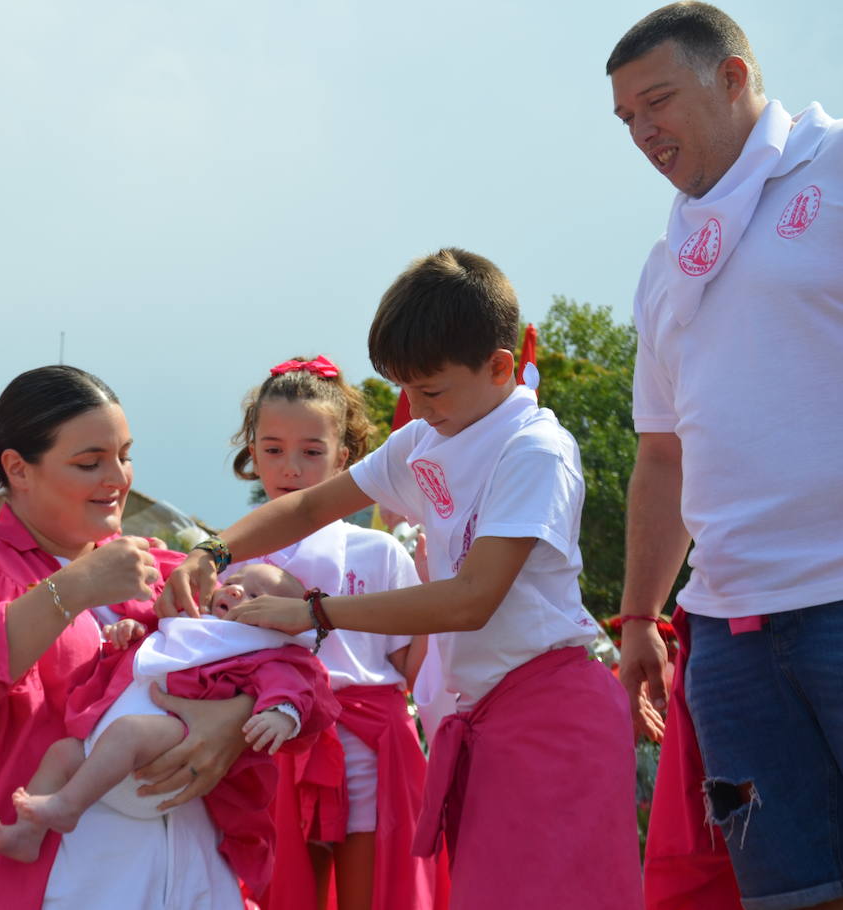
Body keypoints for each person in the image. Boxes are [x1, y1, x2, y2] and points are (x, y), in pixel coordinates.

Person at [157, 249, 642, 909]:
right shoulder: (427, 440)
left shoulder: (534, 449)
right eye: (405, 388)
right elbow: (308, 506)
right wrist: (211, 550)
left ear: (500, 367)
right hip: (482, 715)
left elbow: (473, 600)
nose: (414, 406)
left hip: (551, 710)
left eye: (432, 389)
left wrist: (316, 613)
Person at [608, 5, 843, 910]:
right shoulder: (668, 261)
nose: (642, 131)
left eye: (657, 100)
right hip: (733, 639)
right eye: (626, 118)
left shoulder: (830, 164)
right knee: (788, 893)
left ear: (734, 77)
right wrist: (637, 620)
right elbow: (663, 456)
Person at [0, 365, 255, 910]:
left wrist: (234, 720)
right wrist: (69, 590)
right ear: (18, 469)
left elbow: (275, 661)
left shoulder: (164, 566)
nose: (118, 478)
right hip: (44, 884)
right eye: (90, 463)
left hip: (191, 875)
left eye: (124, 455)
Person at [226, 354, 444, 910]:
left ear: (345, 459)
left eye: (312, 451)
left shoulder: (382, 551)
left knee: (373, 896)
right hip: (270, 741)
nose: (290, 468)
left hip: (370, 746)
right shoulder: (230, 556)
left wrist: (433, 588)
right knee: (279, 894)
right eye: (272, 450)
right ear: (252, 453)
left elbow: (411, 669)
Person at [0, 563, 337, 899]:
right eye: (234, 583)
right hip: (104, 761)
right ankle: (28, 834)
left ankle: (66, 806)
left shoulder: (265, 650)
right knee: (61, 752)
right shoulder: (189, 622)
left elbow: (292, 687)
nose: (238, 591)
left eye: (257, 596)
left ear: (283, 620)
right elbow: (150, 645)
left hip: (170, 756)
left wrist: (280, 714)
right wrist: (128, 632)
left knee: (129, 731)